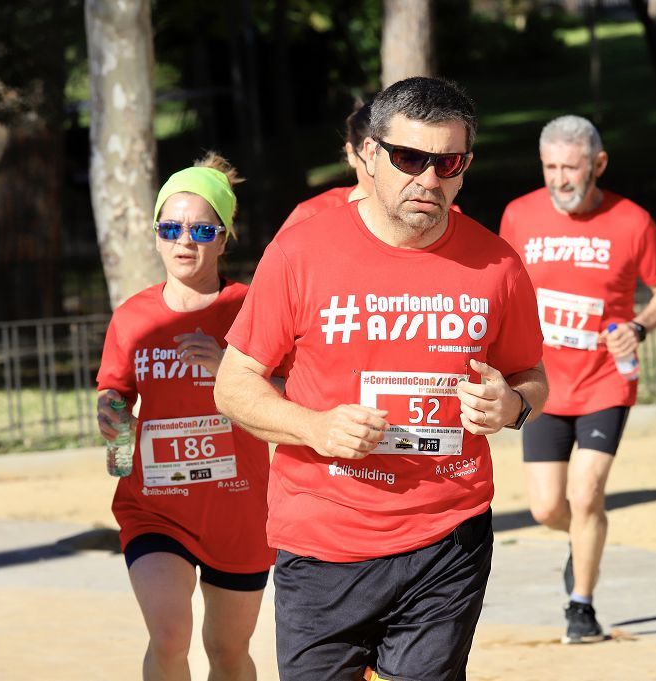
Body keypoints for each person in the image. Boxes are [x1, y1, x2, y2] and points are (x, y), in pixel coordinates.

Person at [214, 77, 548, 681]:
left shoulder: (498, 265)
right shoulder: (300, 254)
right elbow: (234, 385)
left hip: (448, 532)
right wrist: (314, 427)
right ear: (369, 155)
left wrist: (513, 405)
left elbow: (532, 378)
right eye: (410, 158)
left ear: (465, 167)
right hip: (323, 538)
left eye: (448, 162)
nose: (428, 179)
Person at [499, 115, 656, 645]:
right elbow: (498, 285)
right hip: (540, 384)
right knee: (546, 507)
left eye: (571, 167)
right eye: (550, 167)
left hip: (606, 381)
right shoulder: (519, 215)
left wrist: (638, 325)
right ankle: (582, 543)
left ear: (598, 164)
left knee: (586, 495)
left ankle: (581, 607)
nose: (559, 179)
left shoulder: (631, 221)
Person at [96, 152, 274, 680]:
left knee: (227, 650)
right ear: (156, 234)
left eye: (201, 229)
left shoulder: (250, 307)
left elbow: (294, 390)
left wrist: (230, 369)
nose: (184, 241)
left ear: (224, 237)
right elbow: (114, 392)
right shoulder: (134, 316)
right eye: (170, 227)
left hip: (239, 510)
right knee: (170, 635)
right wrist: (115, 432)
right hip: (155, 506)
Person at [278, 100, 374, 231]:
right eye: (373, 160)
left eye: (404, 160)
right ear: (352, 154)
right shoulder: (310, 215)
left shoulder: (409, 216)